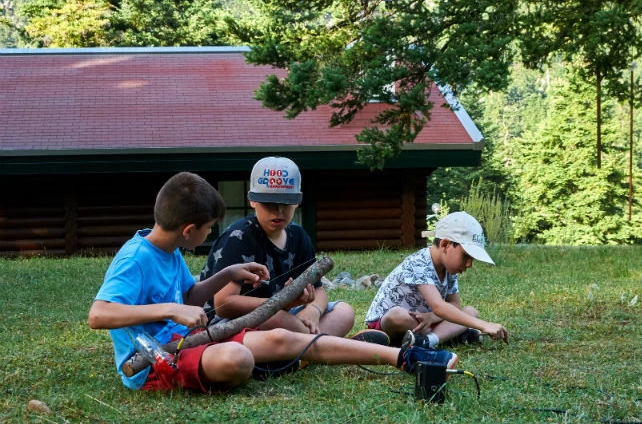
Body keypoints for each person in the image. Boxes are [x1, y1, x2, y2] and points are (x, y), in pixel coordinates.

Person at [88, 172, 457, 392]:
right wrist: (171, 309)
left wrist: (227, 274)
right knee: (238, 358)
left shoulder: (170, 252)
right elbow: (98, 314)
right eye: (206, 230)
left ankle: (405, 358)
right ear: (188, 230)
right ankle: (278, 361)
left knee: (283, 337)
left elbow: (190, 294)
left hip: (191, 342)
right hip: (154, 361)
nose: (208, 234)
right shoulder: (135, 258)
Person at [199, 156, 388, 345]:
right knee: (277, 319)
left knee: (344, 312)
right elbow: (223, 304)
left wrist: (312, 310)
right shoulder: (237, 237)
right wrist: (281, 305)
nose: (278, 211)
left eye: (285, 203)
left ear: (298, 200)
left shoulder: (298, 236)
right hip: (228, 325)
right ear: (252, 201)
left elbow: (318, 290)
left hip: (286, 319)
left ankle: (305, 351)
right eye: (268, 203)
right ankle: (330, 346)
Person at [364, 211, 510, 348]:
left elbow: (454, 304)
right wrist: (484, 325)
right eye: (466, 256)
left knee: (471, 312)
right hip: (387, 325)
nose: (469, 264)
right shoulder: (418, 263)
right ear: (445, 245)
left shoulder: (448, 268)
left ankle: (428, 340)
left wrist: (432, 317)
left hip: (425, 321)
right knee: (397, 315)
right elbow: (439, 307)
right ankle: (452, 336)